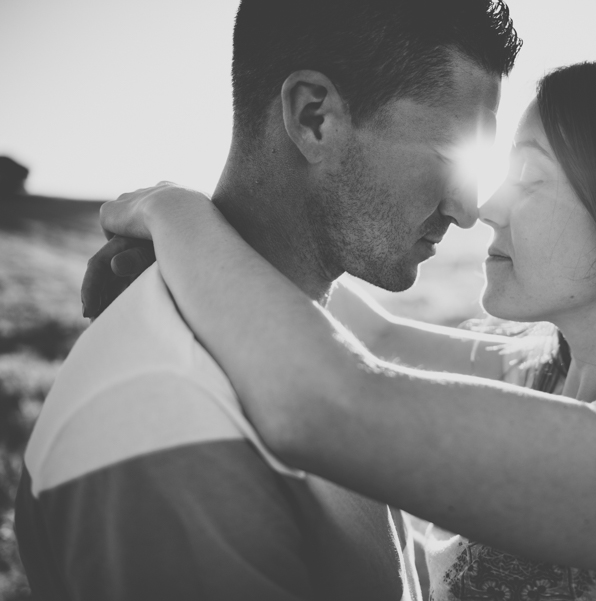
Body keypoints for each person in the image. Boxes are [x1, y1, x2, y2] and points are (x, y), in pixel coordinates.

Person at [83, 55, 596, 600]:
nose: (487, 205)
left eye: (532, 178)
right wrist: (204, 238)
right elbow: (365, 332)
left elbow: (328, 404)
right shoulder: (540, 373)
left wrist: (172, 213)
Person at [15, 1, 521, 599]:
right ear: (314, 118)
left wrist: (179, 217)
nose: (466, 210)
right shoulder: (171, 423)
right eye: (452, 157)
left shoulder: (311, 338)